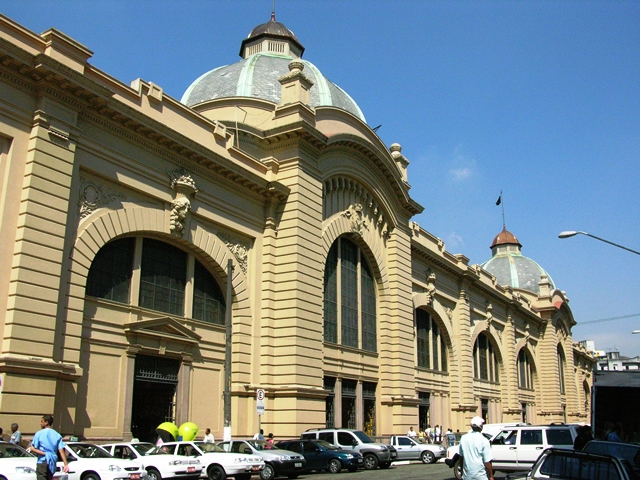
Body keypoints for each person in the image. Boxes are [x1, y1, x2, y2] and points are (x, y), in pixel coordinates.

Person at [28, 414, 69, 480]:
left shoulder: (39, 433)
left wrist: (44, 453)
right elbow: (61, 451)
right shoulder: (57, 435)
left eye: (42, 421)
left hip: (42, 462)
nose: (40, 423)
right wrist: (65, 464)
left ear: (46, 422)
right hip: (52, 462)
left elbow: (33, 449)